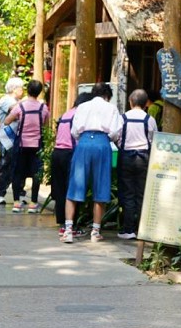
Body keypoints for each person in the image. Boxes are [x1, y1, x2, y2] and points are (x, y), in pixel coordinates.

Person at [64, 83, 121, 243]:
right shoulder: (111, 108)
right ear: (107, 96)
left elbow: (74, 131)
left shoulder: (82, 107)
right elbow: (116, 132)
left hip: (83, 143)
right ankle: (95, 232)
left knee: (75, 186)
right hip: (102, 143)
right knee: (101, 186)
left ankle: (68, 230)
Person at [3, 79, 49, 213]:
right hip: (37, 146)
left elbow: (6, 121)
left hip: (21, 145)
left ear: (27, 90)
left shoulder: (20, 107)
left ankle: (16, 203)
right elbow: (45, 126)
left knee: (17, 172)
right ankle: (33, 203)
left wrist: (18, 117)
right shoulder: (43, 108)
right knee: (36, 174)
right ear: (39, 92)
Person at [116, 89, 157, 240]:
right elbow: (154, 139)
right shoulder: (150, 119)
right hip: (144, 158)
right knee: (141, 193)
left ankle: (128, 229)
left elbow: (116, 135)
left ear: (130, 102)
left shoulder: (123, 118)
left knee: (127, 193)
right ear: (146, 103)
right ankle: (141, 229)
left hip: (126, 157)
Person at [51, 92, 92, 237]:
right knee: (74, 190)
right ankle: (72, 225)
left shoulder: (66, 114)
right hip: (70, 154)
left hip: (57, 153)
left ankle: (63, 224)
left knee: (61, 190)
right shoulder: (79, 115)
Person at [0, 77, 25, 204]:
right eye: (20, 88)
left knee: (19, 166)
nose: (22, 90)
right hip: (7, 137)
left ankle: (20, 193)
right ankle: (0, 193)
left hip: (18, 137)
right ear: (14, 89)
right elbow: (15, 109)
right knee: (5, 164)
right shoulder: (6, 100)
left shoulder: (19, 101)